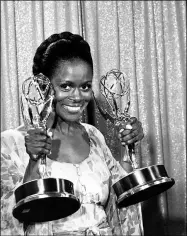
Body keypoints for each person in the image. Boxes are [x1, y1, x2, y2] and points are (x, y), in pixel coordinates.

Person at [1, 31, 144, 235]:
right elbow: (11, 217)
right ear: (42, 85)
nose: (77, 97)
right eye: (66, 86)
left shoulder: (94, 136)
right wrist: (33, 161)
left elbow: (121, 201)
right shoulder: (11, 144)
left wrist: (128, 146)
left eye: (85, 86)